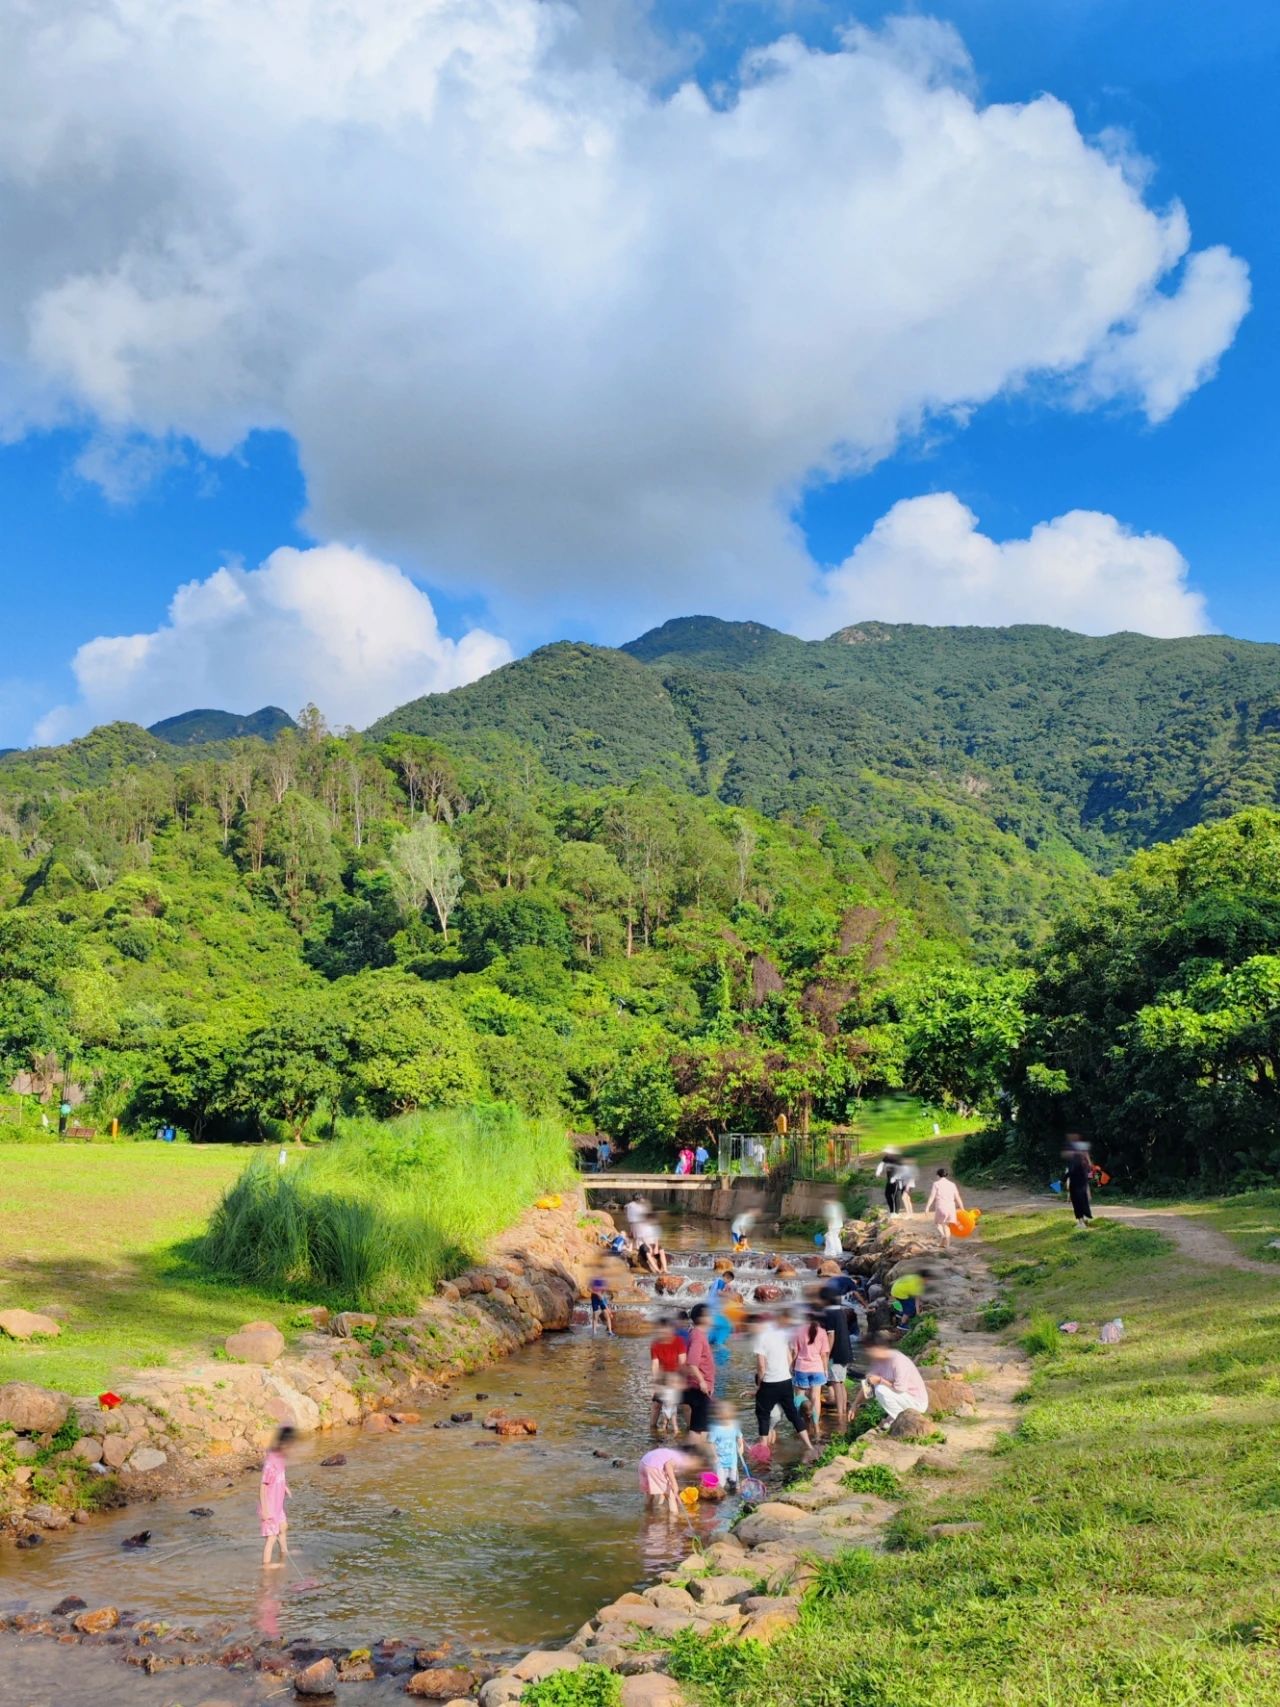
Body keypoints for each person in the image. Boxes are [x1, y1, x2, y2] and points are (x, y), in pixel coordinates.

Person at [750, 1310, 817, 1459]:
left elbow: (761, 1366)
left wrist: (759, 1385)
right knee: (793, 1415)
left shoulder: (760, 1338)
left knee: (763, 1416)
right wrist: (784, 1372)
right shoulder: (781, 1335)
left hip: (769, 1382)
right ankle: (810, 1447)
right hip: (786, 1380)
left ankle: (763, 1453)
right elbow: (789, 1358)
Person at [855, 1338, 929, 1430]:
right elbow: (868, 1385)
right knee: (879, 1387)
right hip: (903, 1398)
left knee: (880, 1389)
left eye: (869, 1350)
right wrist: (855, 1405)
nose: (867, 1353)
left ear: (879, 1348)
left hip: (917, 1402)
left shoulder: (898, 1360)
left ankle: (900, 1420)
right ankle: (895, 1417)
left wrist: (880, 1380)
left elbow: (899, 1388)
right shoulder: (878, 1362)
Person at [820, 1283, 854, 1433]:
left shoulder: (829, 1313)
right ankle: (843, 1412)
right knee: (840, 1382)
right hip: (845, 1352)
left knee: (836, 1383)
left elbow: (831, 1335)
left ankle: (841, 1415)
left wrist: (826, 1355)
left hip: (836, 1354)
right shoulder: (839, 1311)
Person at [790, 1310, 832, 1435]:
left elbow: (794, 1352)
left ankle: (798, 1426)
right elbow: (824, 1354)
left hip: (801, 1367)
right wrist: (825, 1370)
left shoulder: (798, 1331)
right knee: (815, 1398)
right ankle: (816, 1427)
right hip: (817, 1368)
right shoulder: (823, 1332)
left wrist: (792, 1365)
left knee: (799, 1398)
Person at [259, 1425, 294, 1568]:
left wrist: (285, 1487)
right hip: (269, 1506)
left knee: (283, 1527)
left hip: (278, 1505)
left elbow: (280, 1476)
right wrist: (265, 1509)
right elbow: (262, 1486)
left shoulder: (280, 1459)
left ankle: (284, 1552)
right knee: (271, 1537)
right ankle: (266, 1565)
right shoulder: (271, 1463)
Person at [638, 1445, 705, 1515]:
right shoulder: (681, 1459)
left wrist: (661, 1501)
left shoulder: (672, 1453)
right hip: (654, 1467)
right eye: (696, 1463)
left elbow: (666, 1475)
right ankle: (674, 1520)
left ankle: (648, 1512)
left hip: (644, 1463)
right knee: (671, 1497)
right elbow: (668, 1465)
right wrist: (674, 1484)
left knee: (649, 1493)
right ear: (692, 1458)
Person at [682, 1303, 716, 1439]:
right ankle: (694, 1455)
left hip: (699, 1386)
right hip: (699, 1388)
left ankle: (698, 1455)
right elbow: (692, 1362)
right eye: (709, 1314)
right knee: (698, 1429)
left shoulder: (696, 1334)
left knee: (701, 1427)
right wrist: (702, 1382)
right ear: (702, 1318)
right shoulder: (698, 1337)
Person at [649, 1318, 686, 1430]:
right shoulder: (655, 1345)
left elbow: (683, 1362)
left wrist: (680, 1381)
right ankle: (652, 1429)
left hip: (676, 1377)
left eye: (666, 1329)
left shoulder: (679, 1341)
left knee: (685, 1405)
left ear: (671, 1329)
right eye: (660, 1330)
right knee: (656, 1405)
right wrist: (655, 1385)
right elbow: (655, 1365)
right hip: (663, 1378)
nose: (663, 1332)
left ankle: (691, 1430)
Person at [706, 1400, 748, 1494]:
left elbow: (739, 1436)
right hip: (720, 1461)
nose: (726, 1419)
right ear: (719, 1415)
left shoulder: (734, 1426)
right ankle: (722, 1496)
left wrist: (741, 1447)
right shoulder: (715, 1429)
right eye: (723, 1416)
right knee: (721, 1483)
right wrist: (714, 1456)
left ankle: (735, 1491)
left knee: (734, 1481)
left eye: (728, 1416)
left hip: (732, 1459)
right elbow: (710, 1443)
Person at [925, 1167, 965, 1244]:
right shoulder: (952, 1184)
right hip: (951, 1208)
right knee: (947, 1226)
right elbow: (958, 1197)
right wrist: (962, 1208)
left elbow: (932, 1196)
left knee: (937, 1224)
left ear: (938, 1175)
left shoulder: (936, 1184)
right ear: (946, 1175)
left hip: (941, 1207)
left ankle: (943, 1236)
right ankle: (947, 1245)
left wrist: (927, 1207)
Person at [1064, 1139, 1094, 1229]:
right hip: (1083, 1185)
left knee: (1077, 1204)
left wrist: (1063, 1179)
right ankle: (1084, 1220)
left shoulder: (1075, 1160)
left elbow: (1071, 1172)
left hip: (1076, 1185)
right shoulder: (1085, 1162)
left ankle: (1081, 1222)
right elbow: (1089, 1174)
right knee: (1083, 1202)